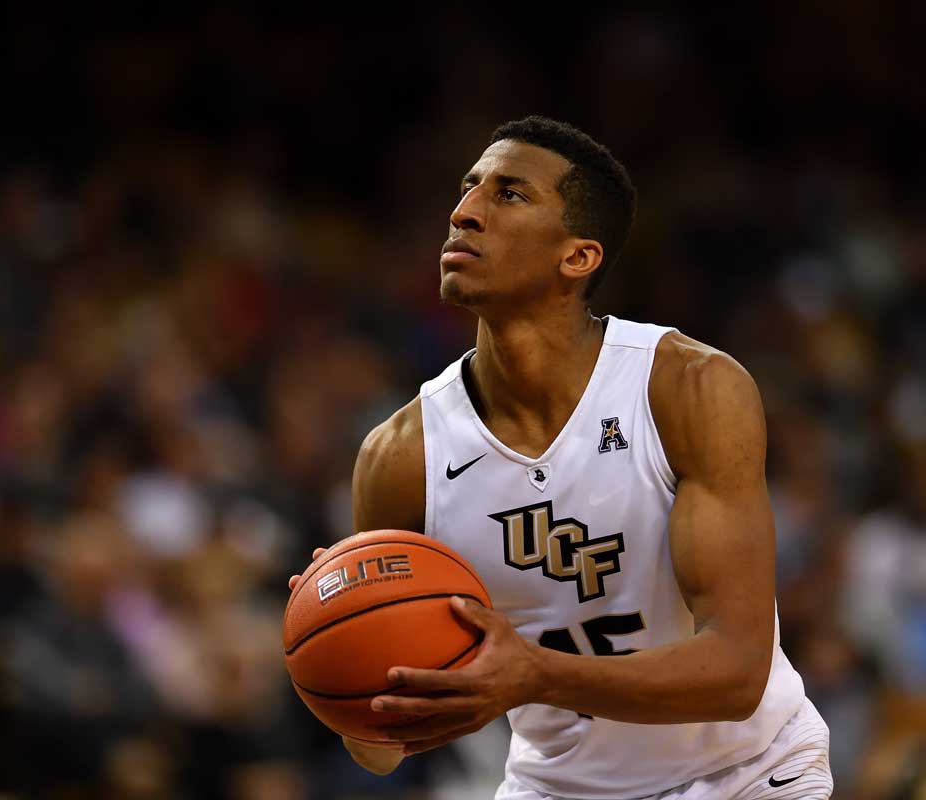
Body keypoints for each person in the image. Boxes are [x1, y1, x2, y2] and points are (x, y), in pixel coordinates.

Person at [288, 116, 832, 799]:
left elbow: (736, 673)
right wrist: (333, 643)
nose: (464, 212)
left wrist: (534, 674)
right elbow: (380, 750)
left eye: (508, 194)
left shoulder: (686, 388)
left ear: (578, 257)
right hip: (555, 787)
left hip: (747, 774)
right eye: (468, 187)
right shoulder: (401, 457)